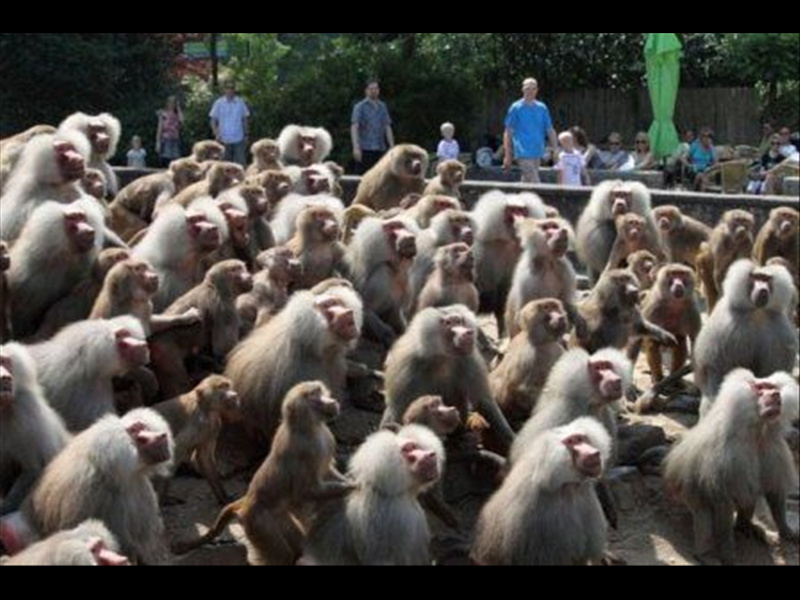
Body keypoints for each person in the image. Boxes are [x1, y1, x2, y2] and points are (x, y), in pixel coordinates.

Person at [503, 78, 558, 184]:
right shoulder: (515, 107)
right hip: (521, 151)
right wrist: (507, 154)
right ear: (523, 89)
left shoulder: (542, 108)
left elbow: (549, 129)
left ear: (537, 90)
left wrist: (555, 149)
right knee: (535, 181)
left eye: (533, 89)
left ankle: (518, 195)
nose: (530, 91)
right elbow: (508, 132)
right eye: (528, 88)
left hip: (537, 150)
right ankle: (543, 195)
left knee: (527, 181)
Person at [351, 79, 395, 175]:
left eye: (376, 88)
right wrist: (356, 147)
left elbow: (387, 126)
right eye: (371, 89)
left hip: (380, 148)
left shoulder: (382, 106)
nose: (373, 91)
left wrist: (392, 146)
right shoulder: (359, 107)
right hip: (364, 149)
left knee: (379, 176)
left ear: (379, 90)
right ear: (366, 91)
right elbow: (354, 128)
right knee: (361, 177)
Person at [209, 81, 251, 166]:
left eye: (232, 88)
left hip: (238, 138)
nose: (230, 90)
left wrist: (246, 134)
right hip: (223, 139)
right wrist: (216, 134)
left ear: (234, 90)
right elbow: (213, 120)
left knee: (240, 164)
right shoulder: (218, 103)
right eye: (227, 88)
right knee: (224, 166)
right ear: (224, 90)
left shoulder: (240, 102)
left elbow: (245, 119)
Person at [156, 96, 183, 168]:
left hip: (175, 138)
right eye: (170, 102)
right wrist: (158, 141)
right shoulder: (163, 113)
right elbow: (160, 127)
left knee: (176, 157)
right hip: (166, 138)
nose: (172, 105)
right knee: (166, 157)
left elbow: (182, 120)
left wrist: (178, 107)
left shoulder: (177, 114)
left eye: (174, 103)